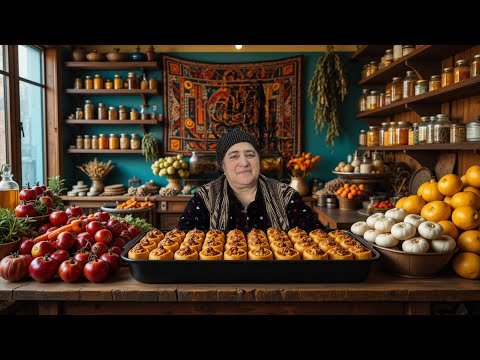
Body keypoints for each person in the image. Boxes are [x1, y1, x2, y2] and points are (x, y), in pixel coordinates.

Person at [177, 127, 326, 232]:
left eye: (250, 154)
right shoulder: (204, 198)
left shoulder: (285, 195)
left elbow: (317, 236)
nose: (244, 163)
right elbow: (184, 243)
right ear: (222, 165)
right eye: (234, 156)